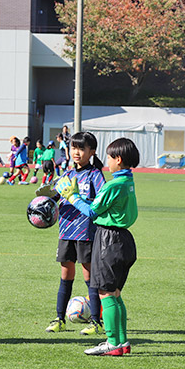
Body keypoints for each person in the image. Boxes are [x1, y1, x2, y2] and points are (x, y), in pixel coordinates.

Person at [57, 137, 140, 356]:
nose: (107, 162)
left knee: (105, 293)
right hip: (124, 240)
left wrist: (73, 197)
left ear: (119, 159)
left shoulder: (114, 185)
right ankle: (121, 342)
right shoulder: (128, 181)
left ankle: (113, 341)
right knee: (116, 293)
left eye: (110, 157)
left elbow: (92, 211)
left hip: (109, 240)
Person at [45, 132, 106, 336]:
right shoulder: (67, 174)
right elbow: (53, 196)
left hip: (86, 232)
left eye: (81, 148)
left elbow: (100, 205)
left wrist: (78, 198)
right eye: (73, 148)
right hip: (66, 230)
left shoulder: (95, 175)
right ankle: (60, 318)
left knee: (90, 277)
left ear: (92, 151)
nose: (76, 152)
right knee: (65, 274)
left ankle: (96, 322)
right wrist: (45, 199)